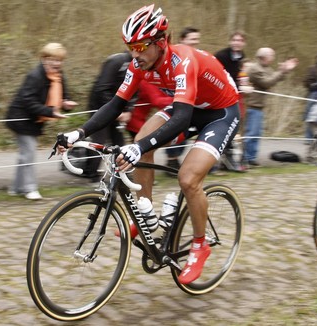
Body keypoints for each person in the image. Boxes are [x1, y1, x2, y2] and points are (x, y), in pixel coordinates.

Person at [56, 5, 241, 284]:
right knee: (142, 135)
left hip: (220, 113)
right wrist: (78, 132)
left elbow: (180, 118)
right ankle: (145, 215)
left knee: (188, 178)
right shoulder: (139, 64)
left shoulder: (183, 61)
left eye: (141, 46)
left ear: (161, 42)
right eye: (130, 46)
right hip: (188, 108)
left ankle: (199, 245)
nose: (135, 54)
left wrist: (139, 148)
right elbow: (116, 104)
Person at [5, 43, 77, 200]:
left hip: (35, 120)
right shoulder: (35, 76)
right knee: (29, 153)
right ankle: (30, 188)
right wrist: (50, 112)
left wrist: (66, 104)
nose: (57, 64)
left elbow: (64, 96)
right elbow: (27, 101)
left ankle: (16, 188)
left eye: (59, 60)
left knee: (25, 154)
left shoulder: (58, 77)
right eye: (53, 60)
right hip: (21, 118)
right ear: (44, 59)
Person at [81, 51, 133, 181]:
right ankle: (91, 173)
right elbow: (101, 88)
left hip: (117, 106)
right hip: (100, 106)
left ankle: (121, 173)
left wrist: (128, 110)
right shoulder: (116, 61)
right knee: (99, 141)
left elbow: (135, 90)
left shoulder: (138, 65)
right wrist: (116, 110)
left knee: (119, 142)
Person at [243, 47, 298, 166]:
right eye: (271, 56)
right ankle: (247, 157)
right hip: (252, 106)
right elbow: (267, 82)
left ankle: (251, 157)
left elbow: (274, 79)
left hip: (259, 106)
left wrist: (284, 70)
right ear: (264, 57)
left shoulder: (265, 68)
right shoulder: (254, 69)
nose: (273, 58)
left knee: (257, 133)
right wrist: (281, 72)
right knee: (251, 133)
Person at [163, 26, 202, 176]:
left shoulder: (197, 56)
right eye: (192, 39)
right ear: (182, 40)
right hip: (179, 103)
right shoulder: (175, 59)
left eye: (197, 40)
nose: (195, 42)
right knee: (176, 129)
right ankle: (172, 159)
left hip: (197, 106)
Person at [215, 31, 248, 172]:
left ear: (243, 43)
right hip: (221, 94)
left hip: (236, 95)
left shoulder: (243, 58)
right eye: (234, 40)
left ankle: (228, 159)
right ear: (230, 41)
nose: (236, 42)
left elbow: (241, 76)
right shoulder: (221, 55)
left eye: (240, 40)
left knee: (236, 124)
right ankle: (219, 159)